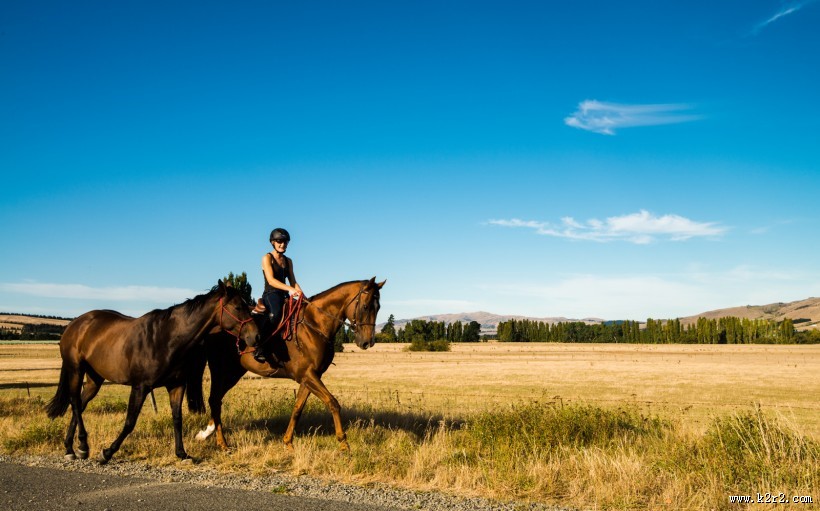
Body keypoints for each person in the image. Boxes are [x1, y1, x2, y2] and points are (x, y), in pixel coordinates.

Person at [254, 227, 304, 363]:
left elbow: (293, 281)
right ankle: (260, 348)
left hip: (285, 294)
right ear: (272, 242)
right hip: (271, 293)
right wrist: (289, 289)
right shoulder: (267, 258)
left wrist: (302, 295)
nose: (282, 244)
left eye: (285, 242)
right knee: (275, 315)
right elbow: (271, 280)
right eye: (279, 241)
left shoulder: (288, 261)